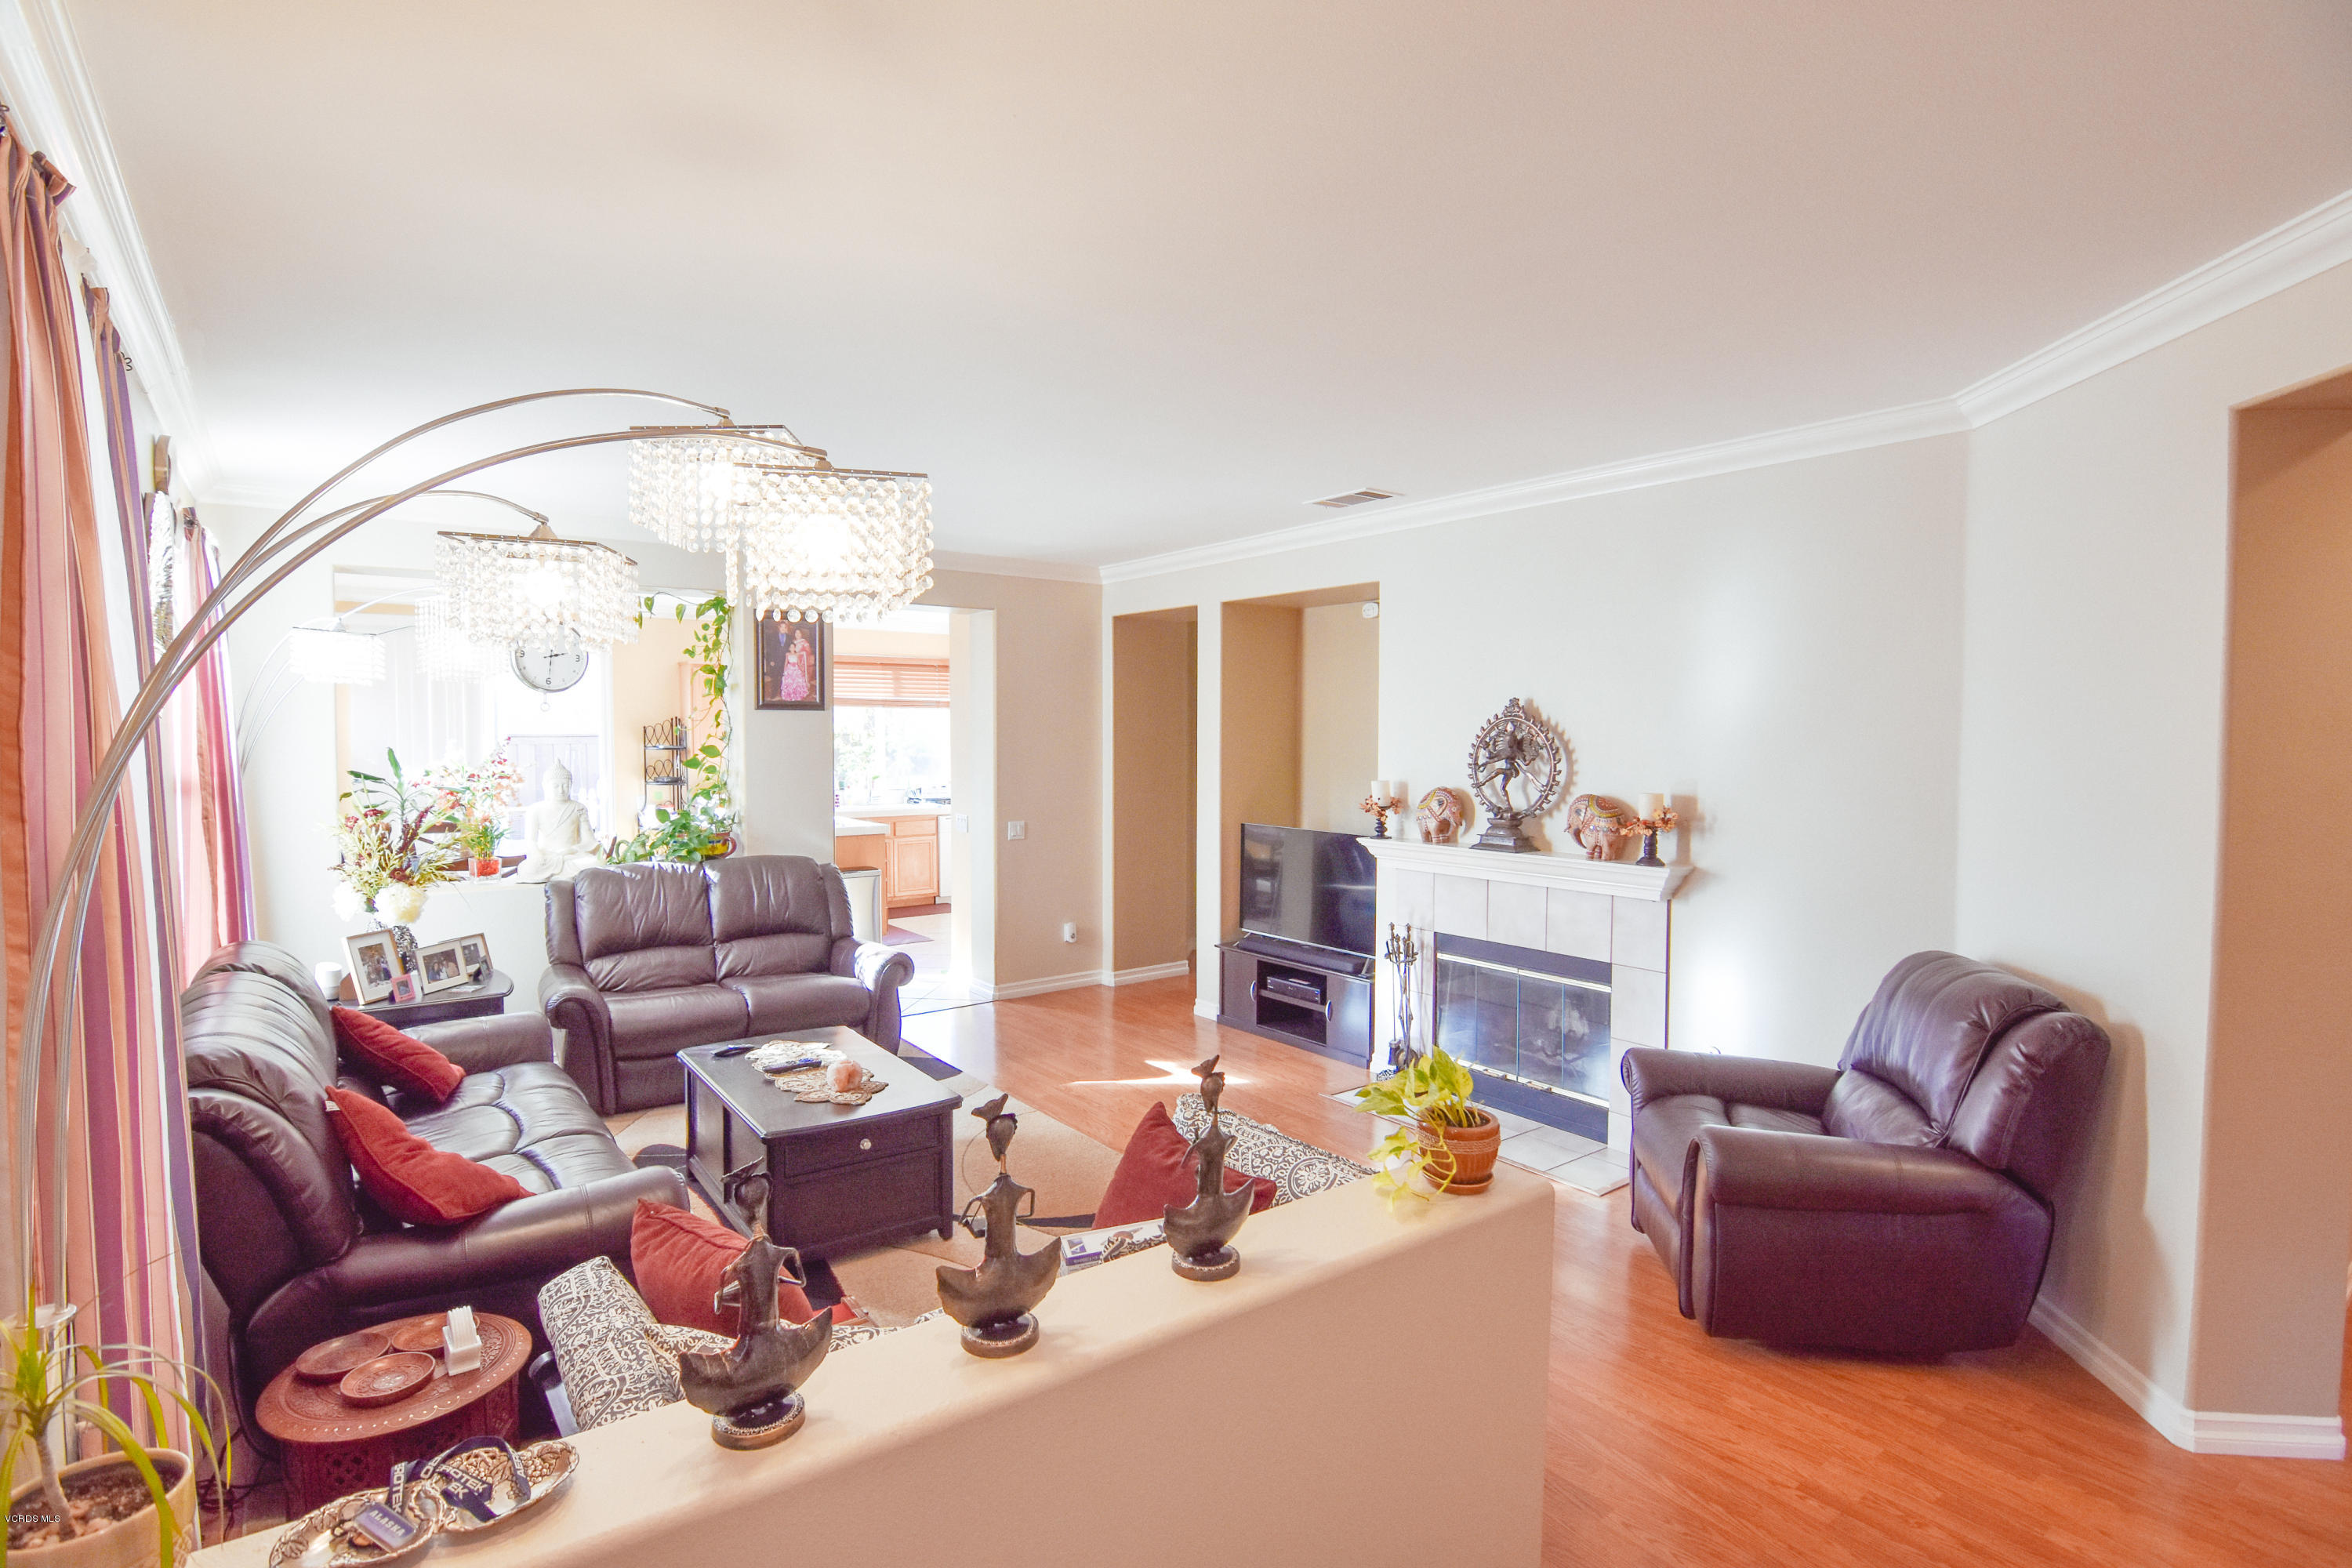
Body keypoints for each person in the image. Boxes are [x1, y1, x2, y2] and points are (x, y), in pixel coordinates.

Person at [514, 760, 602, 883]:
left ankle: (558, 875)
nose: (561, 790)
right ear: (545, 786)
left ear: (571, 785)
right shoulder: (535, 810)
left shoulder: (578, 808)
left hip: (571, 857)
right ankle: (559, 875)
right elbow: (530, 841)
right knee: (528, 867)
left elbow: (589, 841)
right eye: (556, 786)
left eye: (565, 786)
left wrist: (572, 850)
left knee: (595, 862)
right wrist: (538, 855)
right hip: (547, 858)